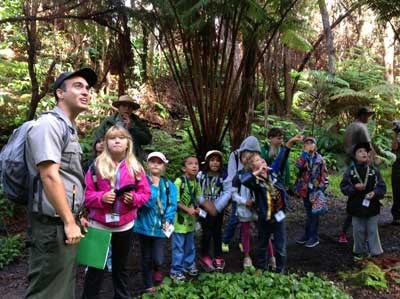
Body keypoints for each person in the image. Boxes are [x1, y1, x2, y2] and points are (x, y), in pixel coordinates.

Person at [24, 68, 97, 298]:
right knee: (46, 292)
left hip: (63, 225)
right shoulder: (49, 125)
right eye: (78, 86)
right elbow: (49, 175)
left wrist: (75, 216)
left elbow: (67, 179)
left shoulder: (68, 128)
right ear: (60, 93)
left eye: (87, 88)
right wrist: (68, 220)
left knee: (61, 290)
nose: (85, 91)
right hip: (52, 227)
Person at [82, 125, 151, 299]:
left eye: (121, 137)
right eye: (112, 138)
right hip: (99, 225)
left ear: (128, 143)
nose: (117, 141)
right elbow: (86, 195)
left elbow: (146, 194)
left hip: (124, 226)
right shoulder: (95, 167)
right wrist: (101, 198)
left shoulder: (136, 168)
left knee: (121, 268)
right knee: (95, 269)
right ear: (106, 143)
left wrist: (134, 199)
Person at [134, 152, 178, 293]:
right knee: (146, 256)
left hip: (161, 227)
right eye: (152, 161)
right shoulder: (142, 182)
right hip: (144, 227)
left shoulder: (169, 185)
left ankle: (157, 268)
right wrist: (152, 186)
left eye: (159, 162)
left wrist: (168, 220)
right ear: (147, 164)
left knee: (158, 258)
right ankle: (148, 284)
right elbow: (146, 202)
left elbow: (172, 205)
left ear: (164, 166)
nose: (155, 164)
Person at [340, 142, 386, 259]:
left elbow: (382, 187)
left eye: (365, 151)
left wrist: (374, 193)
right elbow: (344, 187)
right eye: (360, 151)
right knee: (358, 230)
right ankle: (359, 252)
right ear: (355, 156)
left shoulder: (374, 171)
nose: (363, 153)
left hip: (372, 205)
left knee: (372, 230)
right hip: (356, 206)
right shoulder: (350, 171)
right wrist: (354, 188)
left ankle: (376, 253)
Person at [340, 107, 375, 243]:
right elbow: (368, 146)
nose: (368, 118)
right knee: (361, 200)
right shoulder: (361, 127)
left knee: (356, 201)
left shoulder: (351, 126)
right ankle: (357, 233)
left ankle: (348, 233)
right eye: (367, 115)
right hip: (359, 164)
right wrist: (372, 161)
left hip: (352, 161)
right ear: (362, 116)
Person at [222, 136, 261, 253]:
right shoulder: (234, 156)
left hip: (251, 195)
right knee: (235, 218)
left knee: (247, 220)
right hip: (237, 193)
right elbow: (232, 175)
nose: (247, 159)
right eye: (245, 155)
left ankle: (242, 241)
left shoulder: (257, 160)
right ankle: (225, 240)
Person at [198, 150, 230, 272]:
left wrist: (217, 207)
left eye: (217, 160)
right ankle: (204, 255)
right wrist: (205, 204)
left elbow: (228, 192)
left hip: (217, 210)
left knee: (217, 232)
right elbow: (196, 190)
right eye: (212, 160)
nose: (215, 163)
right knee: (206, 232)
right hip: (204, 209)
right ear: (207, 162)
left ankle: (218, 256)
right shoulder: (201, 175)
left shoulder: (224, 177)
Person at [170, 155, 201, 281]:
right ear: (184, 168)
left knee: (190, 245)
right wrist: (188, 209)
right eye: (190, 164)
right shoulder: (179, 182)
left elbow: (197, 198)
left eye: (196, 163)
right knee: (178, 246)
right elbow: (174, 201)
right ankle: (176, 270)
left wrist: (197, 208)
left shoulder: (197, 181)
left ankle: (189, 265)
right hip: (179, 222)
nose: (194, 166)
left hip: (191, 221)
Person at [294, 136, 329, 248]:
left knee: (315, 214)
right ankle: (307, 234)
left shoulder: (320, 160)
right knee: (309, 213)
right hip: (305, 190)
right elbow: (298, 167)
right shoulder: (303, 158)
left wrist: (321, 189)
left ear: (315, 146)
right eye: (306, 143)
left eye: (311, 143)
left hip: (316, 190)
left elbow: (324, 176)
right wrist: (305, 154)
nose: (309, 145)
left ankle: (314, 237)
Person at [391, 126, 400, 225]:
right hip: (397, 166)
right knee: (397, 190)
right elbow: (393, 147)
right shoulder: (397, 137)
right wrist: (396, 133)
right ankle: (396, 216)